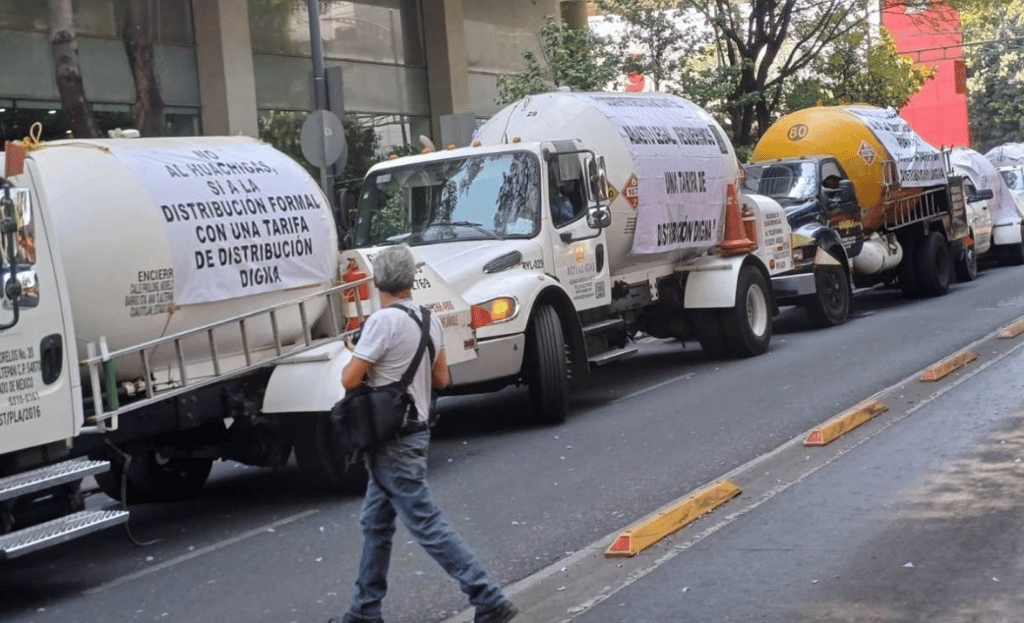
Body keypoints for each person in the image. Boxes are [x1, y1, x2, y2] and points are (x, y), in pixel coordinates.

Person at [332, 244, 517, 623]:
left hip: (392, 440)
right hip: (413, 431)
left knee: (426, 523)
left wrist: (360, 352)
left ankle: (487, 596)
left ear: (378, 281)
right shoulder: (429, 319)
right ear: (410, 279)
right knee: (375, 522)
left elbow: (349, 378)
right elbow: (442, 378)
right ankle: (364, 611)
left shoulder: (382, 322)